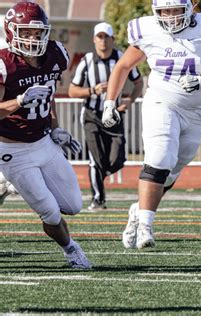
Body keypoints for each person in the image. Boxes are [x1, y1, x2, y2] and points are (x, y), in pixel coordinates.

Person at [101, 0, 201, 249]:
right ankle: (145, 226)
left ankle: (139, 210)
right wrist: (110, 102)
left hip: (197, 111)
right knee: (160, 156)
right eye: (165, 11)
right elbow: (123, 65)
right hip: (161, 102)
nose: (171, 16)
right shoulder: (147, 30)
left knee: (171, 171)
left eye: (176, 10)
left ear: (189, 8)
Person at [0, 2, 91, 268]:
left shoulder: (56, 54)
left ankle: (7, 183)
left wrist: (55, 128)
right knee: (50, 212)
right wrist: (18, 100)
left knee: (73, 206)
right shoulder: (5, 64)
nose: (32, 38)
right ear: (11, 31)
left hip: (43, 142)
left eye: (37, 32)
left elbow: (46, 97)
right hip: (12, 149)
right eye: (25, 32)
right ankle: (71, 250)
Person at [68, 22, 143, 210]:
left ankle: (101, 176)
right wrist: (92, 90)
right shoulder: (86, 61)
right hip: (92, 115)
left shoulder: (121, 58)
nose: (103, 41)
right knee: (96, 159)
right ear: (94, 40)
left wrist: (130, 100)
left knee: (117, 159)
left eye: (106, 37)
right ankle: (98, 199)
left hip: (115, 115)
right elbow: (72, 90)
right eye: (99, 37)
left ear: (113, 39)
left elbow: (139, 82)